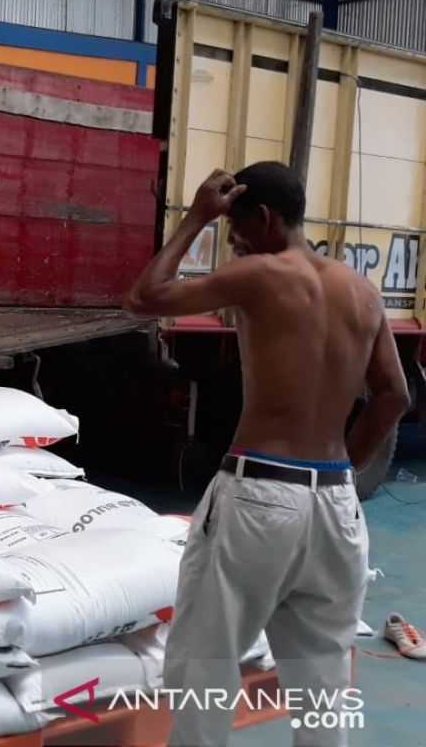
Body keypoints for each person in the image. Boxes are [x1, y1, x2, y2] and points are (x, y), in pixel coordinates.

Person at [124, 162, 409, 747]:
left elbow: (143, 297)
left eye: (235, 225)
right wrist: (342, 475)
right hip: (336, 504)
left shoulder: (258, 275)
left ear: (266, 218)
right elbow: (393, 397)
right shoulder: (363, 292)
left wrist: (195, 217)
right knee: (323, 681)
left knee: (206, 664)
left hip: (259, 496)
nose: (233, 239)